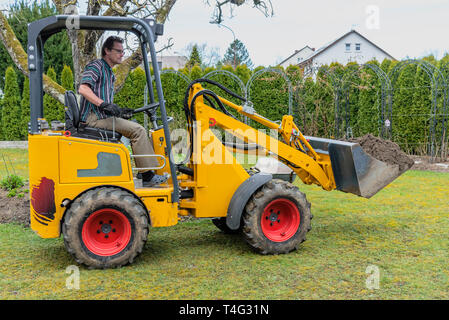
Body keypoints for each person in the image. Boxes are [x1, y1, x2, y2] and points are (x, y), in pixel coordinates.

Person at [78, 36, 168, 187]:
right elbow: (83, 88)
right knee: (138, 130)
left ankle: (143, 171)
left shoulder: (109, 72)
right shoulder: (97, 66)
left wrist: (118, 111)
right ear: (107, 50)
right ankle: (147, 176)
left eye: (123, 51)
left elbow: (104, 101)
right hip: (93, 118)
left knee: (133, 125)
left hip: (101, 116)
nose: (122, 54)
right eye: (118, 51)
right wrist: (104, 104)